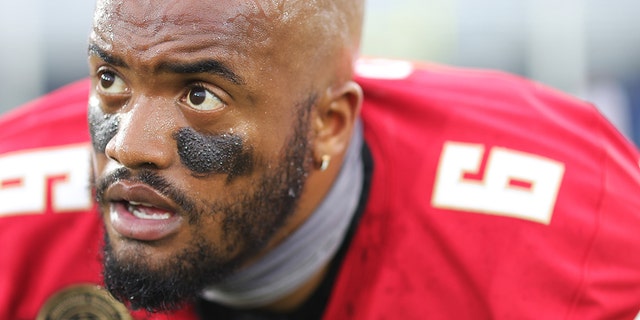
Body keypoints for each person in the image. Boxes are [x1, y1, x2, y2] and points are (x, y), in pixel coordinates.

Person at [1, 0, 640, 319]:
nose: (126, 146)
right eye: (111, 78)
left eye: (201, 95)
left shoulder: (575, 223)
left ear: (329, 125)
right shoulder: (16, 203)